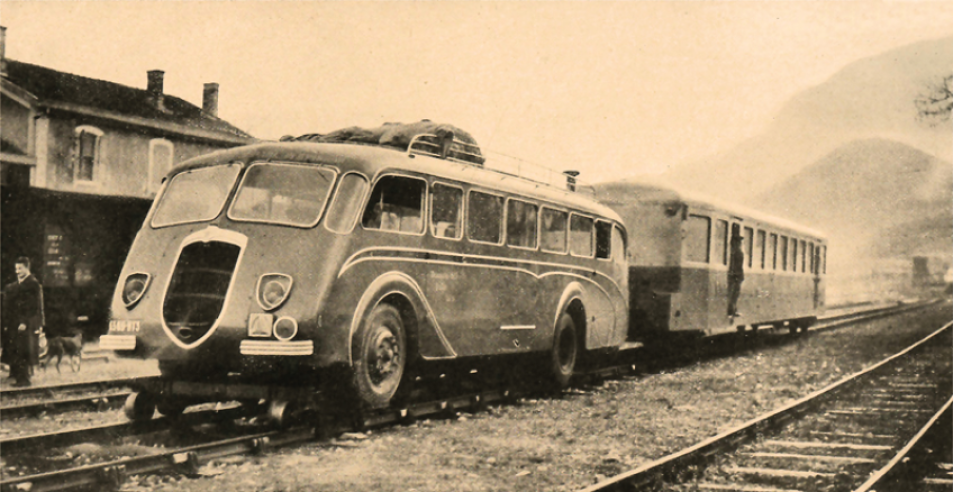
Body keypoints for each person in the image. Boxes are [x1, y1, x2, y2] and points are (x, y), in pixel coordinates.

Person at [1, 257, 45, 387]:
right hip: (16, 322)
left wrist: (24, 322)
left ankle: (24, 379)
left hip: (25, 322)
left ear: (27, 268)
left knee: (22, 349)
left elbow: (32, 305)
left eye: (20, 268)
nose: (17, 271)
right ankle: (16, 374)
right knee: (15, 348)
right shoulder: (21, 283)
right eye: (16, 269)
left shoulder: (32, 283)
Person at [727, 235, 744, 318]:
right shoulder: (738, 252)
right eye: (739, 242)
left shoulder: (733, 252)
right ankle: (732, 310)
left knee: (733, 294)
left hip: (735, 276)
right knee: (734, 294)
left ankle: (733, 309)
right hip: (736, 277)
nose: (740, 244)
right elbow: (737, 266)